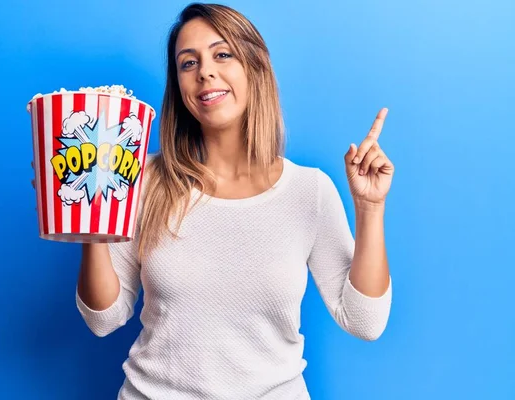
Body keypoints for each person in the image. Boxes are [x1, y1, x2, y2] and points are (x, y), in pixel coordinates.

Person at [75, 3, 394, 399]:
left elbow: (365, 321)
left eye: (222, 54)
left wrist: (370, 208)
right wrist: (88, 219)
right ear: (179, 87)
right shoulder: (145, 180)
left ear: (255, 67)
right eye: (188, 63)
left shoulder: (308, 190)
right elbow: (103, 318)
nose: (205, 71)